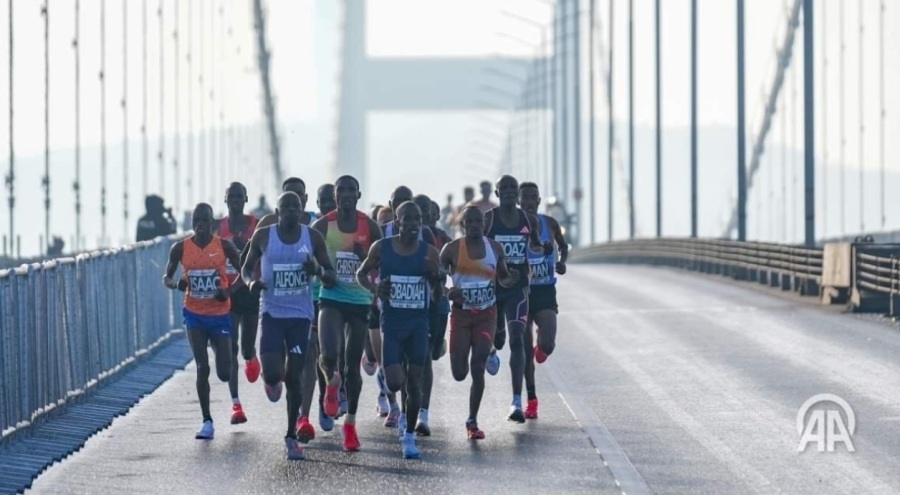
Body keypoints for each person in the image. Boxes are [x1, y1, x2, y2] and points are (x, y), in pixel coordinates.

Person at [241, 191, 335, 460]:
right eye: (286, 206)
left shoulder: (312, 237)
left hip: (300, 317)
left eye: (296, 206)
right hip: (271, 314)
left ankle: (291, 436)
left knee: (294, 376)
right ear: (278, 210)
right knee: (273, 374)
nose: (292, 210)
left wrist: (316, 269)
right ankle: (271, 382)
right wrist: (250, 282)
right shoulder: (264, 235)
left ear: (302, 208)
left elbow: (330, 276)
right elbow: (246, 267)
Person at [356, 201, 443, 459]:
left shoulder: (429, 253)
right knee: (396, 381)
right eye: (408, 219)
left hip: (418, 322)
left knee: (414, 382)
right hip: (392, 323)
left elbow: (437, 295)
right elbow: (362, 274)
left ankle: (409, 436)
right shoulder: (381, 247)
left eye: (418, 219)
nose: (413, 224)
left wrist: (435, 279)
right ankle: (394, 395)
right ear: (397, 220)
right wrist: (374, 289)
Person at [311, 175, 382, 452]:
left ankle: (350, 425)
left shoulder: (369, 226)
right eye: (342, 190)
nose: (347, 194)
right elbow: (311, 256)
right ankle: (331, 382)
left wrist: (368, 259)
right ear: (336, 195)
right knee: (328, 354)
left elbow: (383, 261)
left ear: (359, 194)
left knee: (353, 365)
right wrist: (318, 270)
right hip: (330, 297)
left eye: (352, 190)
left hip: (360, 301)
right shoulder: (322, 225)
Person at [162, 203, 244, 440]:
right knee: (202, 366)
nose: (200, 224)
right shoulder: (180, 248)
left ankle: (220, 352)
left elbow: (245, 273)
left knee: (224, 372)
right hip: (194, 314)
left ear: (212, 223)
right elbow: (166, 277)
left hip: (219, 314)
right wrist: (177, 284)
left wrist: (228, 292)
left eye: (204, 220)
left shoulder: (224, 246)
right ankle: (207, 421)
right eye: (196, 220)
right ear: (192, 223)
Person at [440, 206, 518, 439]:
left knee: (477, 368)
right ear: (462, 225)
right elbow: (436, 277)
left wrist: (510, 279)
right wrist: (447, 292)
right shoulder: (451, 250)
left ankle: (472, 421)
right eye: (469, 222)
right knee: (459, 373)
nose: (474, 225)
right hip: (461, 316)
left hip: (486, 315)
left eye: (478, 221)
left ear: (484, 224)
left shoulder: (494, 248)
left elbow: (503, 278)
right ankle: (492, 349)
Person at [484, 175, 551, 423]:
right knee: (499, 339)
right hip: (494, 288)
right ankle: (491, 349)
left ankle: (516, 401)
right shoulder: (489, 219)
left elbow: (532, 245)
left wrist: (542, 249)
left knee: (517, 340)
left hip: (519, 289)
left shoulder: (527, 220)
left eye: (514, 187)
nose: (511, 192)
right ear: (498, 192)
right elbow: (478, 246)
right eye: (506, 188)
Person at [212, 182, 261, 425]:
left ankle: (252, 357)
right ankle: (236, 404)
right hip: (226, 293)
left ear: (246, 199)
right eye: (231, 196)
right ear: (225, 199)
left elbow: (262, 254)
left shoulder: (255, 225)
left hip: (249, 291)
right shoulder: (218, 227)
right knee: (230, 348)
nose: (235, 200)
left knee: (246, 348)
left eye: (239, 196)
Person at [519, 182, 568, 420]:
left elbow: (563, 245)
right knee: (525, 352)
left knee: (547, 345)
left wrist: (562, 262)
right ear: (519, 201)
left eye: (532, 198)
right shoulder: (513, 226)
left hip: (546, 290)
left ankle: (542, 346)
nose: (528, 202)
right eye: (524, 198)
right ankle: (532, 400)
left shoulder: (550, 223)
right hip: (522, 293)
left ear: (539, 201)